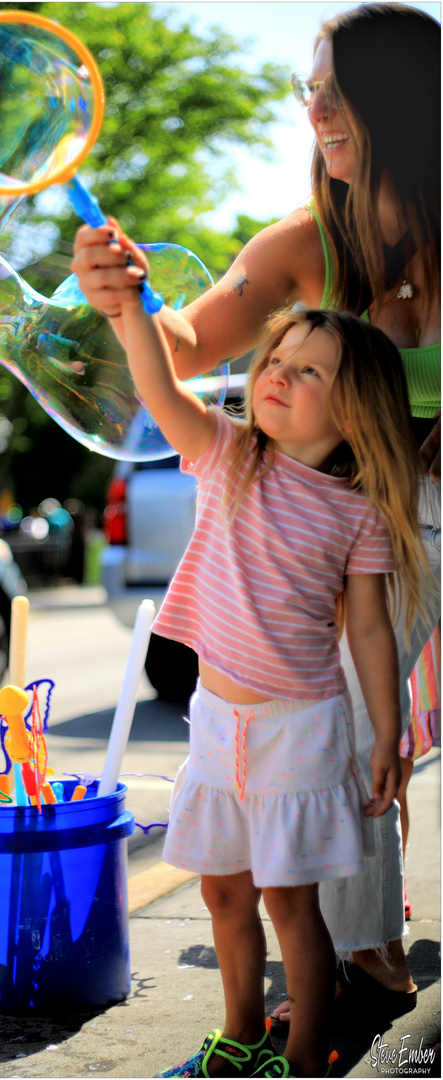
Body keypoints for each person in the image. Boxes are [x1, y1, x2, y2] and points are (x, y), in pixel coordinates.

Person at [71, 1, 440, 1018]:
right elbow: (181, 345)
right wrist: (127, 291)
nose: (315, 108)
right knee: (357, 716)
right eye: (306, 87)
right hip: (380, 521)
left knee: (362, 720)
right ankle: (368, 951)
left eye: (336, 86)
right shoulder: (301, 243)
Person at [112, 301, 429, 1078]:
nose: (279, 375)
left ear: (356, 409)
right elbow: (160, 391)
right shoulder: (228, 455)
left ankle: (303, 1057)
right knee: (224, 894)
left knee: (291, 904)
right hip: (217, 724)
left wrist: (387, 731)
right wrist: (130, 311)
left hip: (299, 730)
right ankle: (242, 1036)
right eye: (276, 360)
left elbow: (367, 634)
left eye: (308, 369)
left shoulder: (360, 514)